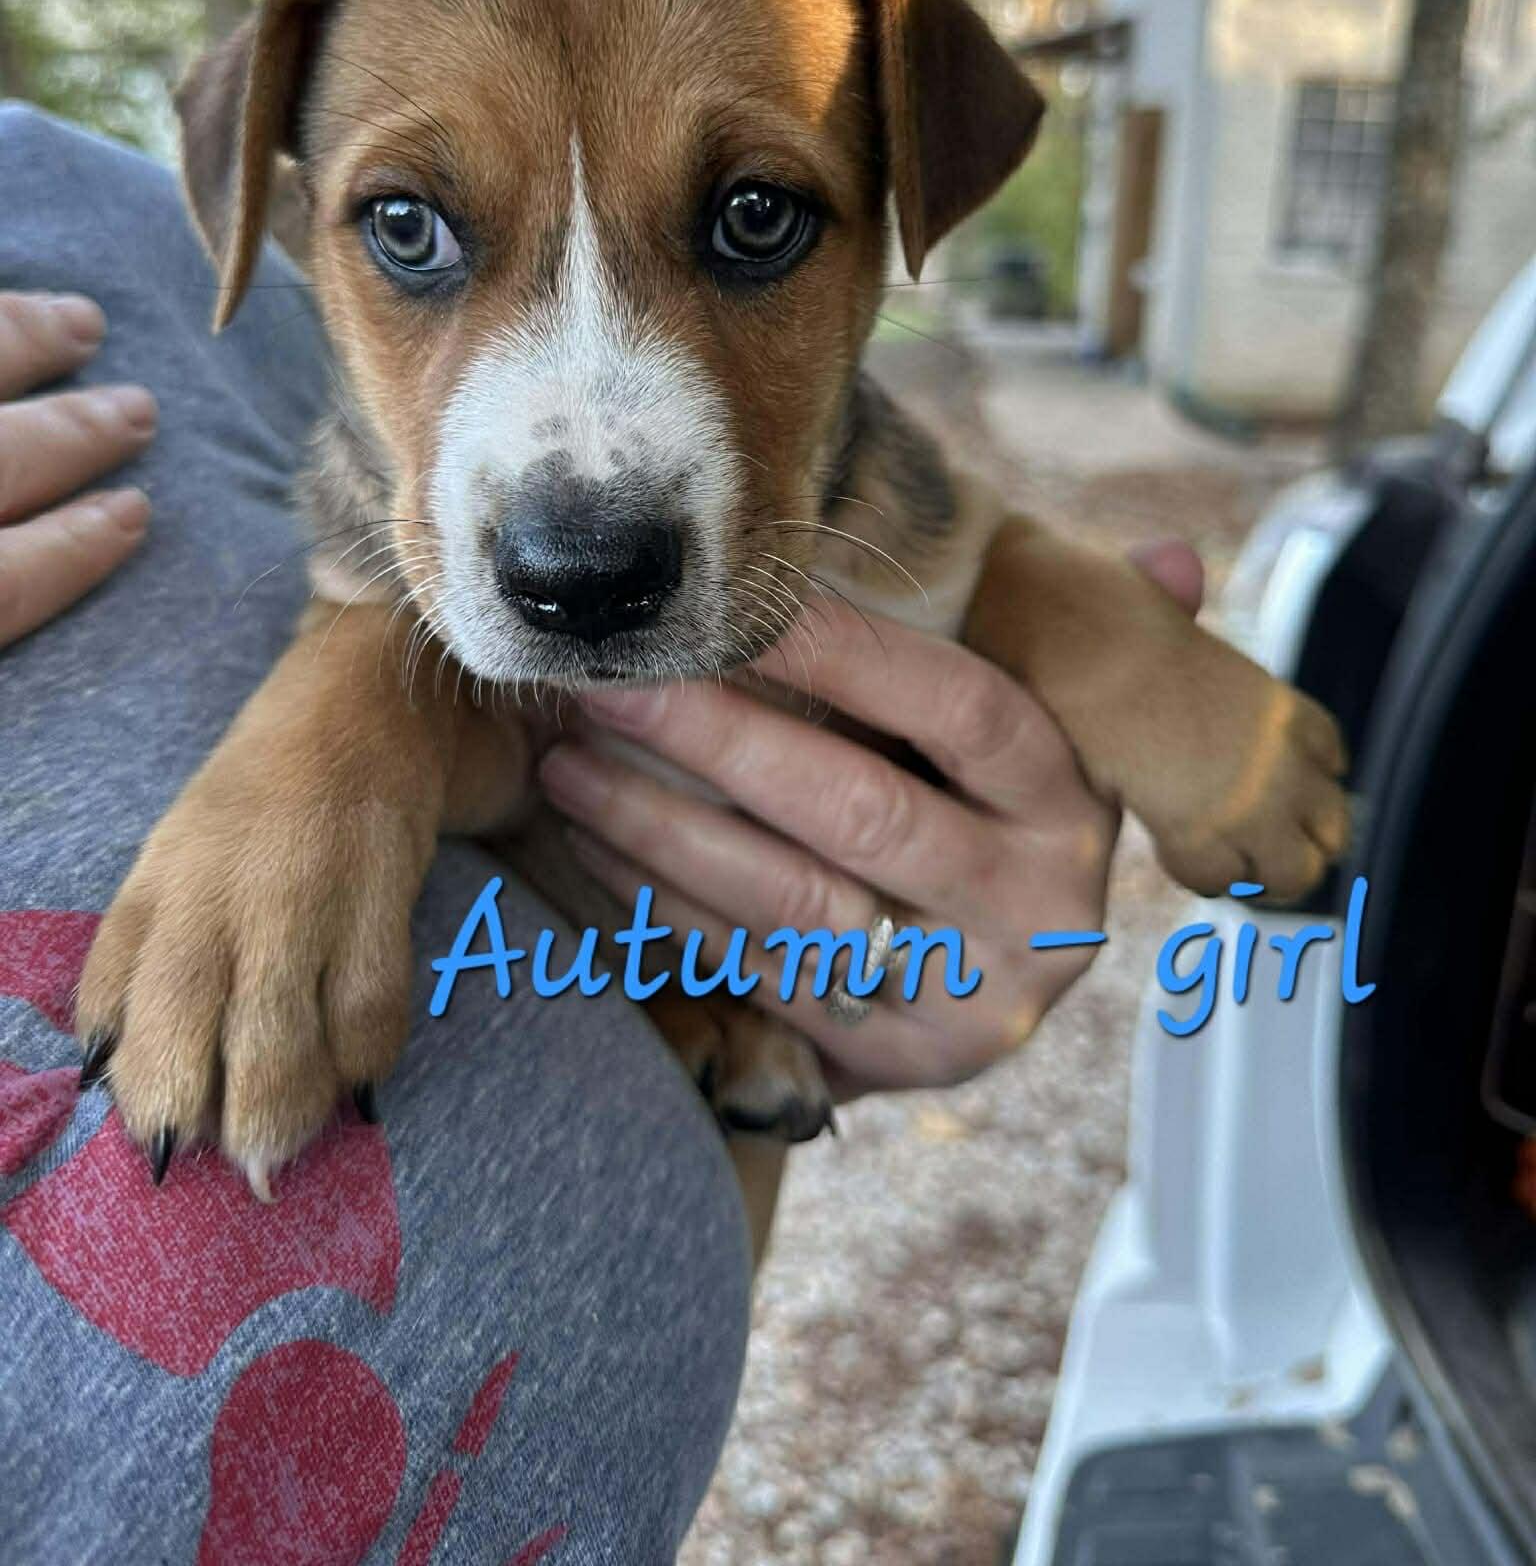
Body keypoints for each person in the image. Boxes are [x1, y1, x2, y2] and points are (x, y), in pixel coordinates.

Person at [0, 103, 1200, 1564]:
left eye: (755, 217)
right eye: (410, 230)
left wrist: (837, 955)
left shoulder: (124, 239)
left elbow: (419, 571)